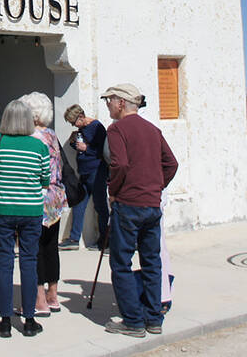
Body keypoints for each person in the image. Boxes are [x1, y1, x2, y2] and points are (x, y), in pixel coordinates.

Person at [102, 82, 178, 338]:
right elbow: (171, 163)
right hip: (151, 205)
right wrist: (156, 186)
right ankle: (153, 318)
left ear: (121, 103)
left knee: (121, 262)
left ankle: (133, 321)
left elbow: (120, 164)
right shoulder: (152, 130)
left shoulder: (116, 129)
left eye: (109, 100)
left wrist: (114, 190)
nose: (108, 105)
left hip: (128, 204)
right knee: (151, 261)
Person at [0, 100, 49, 338]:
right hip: (31, 210)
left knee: (5, 263)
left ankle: (4, 321)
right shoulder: (38, 146)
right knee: (29, 262)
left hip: (3, 209)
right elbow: (45, 179)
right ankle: (30, 319)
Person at [20, 91, 67, 317]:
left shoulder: (30, 137)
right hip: (55, 197)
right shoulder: (51, 134)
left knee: (34, 248)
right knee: (51, 247)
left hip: (36, 197)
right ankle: (53, 295)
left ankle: (39, 300)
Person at [59, 103, 109, 250]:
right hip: (85, 172)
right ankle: (74, 238)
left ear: (81, 117)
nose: (73, 125)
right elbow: (80, 146)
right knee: (79, 203)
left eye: (74, 122)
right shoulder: (82, 130)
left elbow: (103, 150)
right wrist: (75, 143)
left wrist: (87, 148)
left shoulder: (96, 127)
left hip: (96, 172)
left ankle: (105, 239)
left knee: (100, 206)